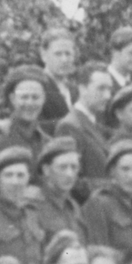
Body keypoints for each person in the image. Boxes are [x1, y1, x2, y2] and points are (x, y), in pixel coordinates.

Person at [81, 140, 132, 264]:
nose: (131, 176)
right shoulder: (99, 204)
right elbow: (99, 259)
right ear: (113, 171)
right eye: (125, 169)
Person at [55, 63, 112, 194]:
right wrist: (112, 186)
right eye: (101, 89)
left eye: (109, 89)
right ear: (82, 89)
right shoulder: (70, 126)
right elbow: (70, 180)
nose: (107, 96)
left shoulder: (95, 122)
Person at [38, 28, 77, 128]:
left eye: (68, 54)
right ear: (44, 55)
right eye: (58, 54)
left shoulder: (75, 90)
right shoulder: (38, 87)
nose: (64, 60)